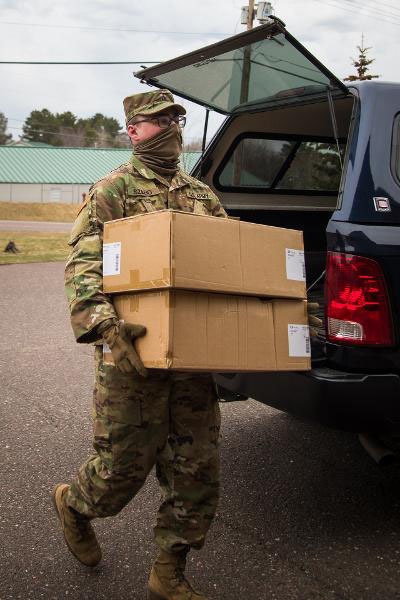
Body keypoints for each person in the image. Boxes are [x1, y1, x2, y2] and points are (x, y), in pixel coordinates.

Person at [53, 89, 227, 600]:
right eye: (158, 122)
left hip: (192, 360)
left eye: (176, 118)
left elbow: (228, 265)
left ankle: (167, 571)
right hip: (129, 355)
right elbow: (82, 266)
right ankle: (75, 505)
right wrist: (105, 325)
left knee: (196, 472)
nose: (171, 128)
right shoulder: (112, 191)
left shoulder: (202, 196)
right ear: (133, 130)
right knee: (119, 472)